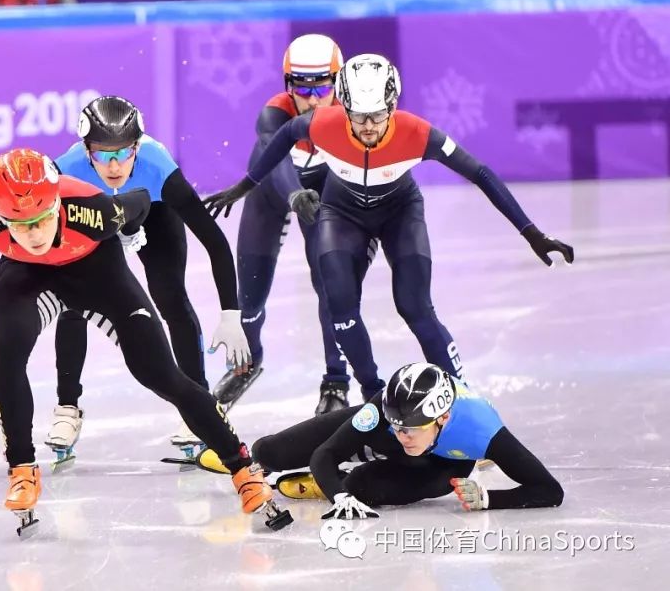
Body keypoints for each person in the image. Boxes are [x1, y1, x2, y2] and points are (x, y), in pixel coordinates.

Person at [0, 148, 292, 537]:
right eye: (20, 224)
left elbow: (138, 202)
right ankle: (21, 469)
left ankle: (243, 469)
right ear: (0, 216)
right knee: (9, 350)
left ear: (56, 205)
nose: (33, 234)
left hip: (98, 273)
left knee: (161, 375)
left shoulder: (95, 210)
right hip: (27, 279)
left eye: (41, 219)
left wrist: (133, 231)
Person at [204, 54, 574, 398]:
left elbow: (480, 173)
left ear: (393, 107)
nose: (367, 127)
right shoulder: (323, 123)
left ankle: (464, 400)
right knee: (340, 308)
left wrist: (531, 232)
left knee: (415, 307)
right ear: (344, 108)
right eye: (359, 116)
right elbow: (280, 137)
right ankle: (373, 396)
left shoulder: (419, 133)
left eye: (378, 116)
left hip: (399, 214)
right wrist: (244, 186)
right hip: (343, 215)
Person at [49, 96, 250, 462]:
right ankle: (67, 408)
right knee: (72, 302)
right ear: (85, 149)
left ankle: (198, 407)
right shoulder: (66, 170)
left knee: (170, 296)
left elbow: (215, 242)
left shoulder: (158, 167)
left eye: (124, 153)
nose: (114, 165)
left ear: (138, 147)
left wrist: (230, 313)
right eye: (102, 154)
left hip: (154, 215)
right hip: (95, 214)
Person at [234, 34, 377, 417]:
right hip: (275, 189)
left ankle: (336, 381)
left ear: (340, 85)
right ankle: (248, 359)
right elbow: (276, 159)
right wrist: (296, 195)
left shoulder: (358, 116)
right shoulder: (273, 115)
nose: (312, 100)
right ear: (287, 86)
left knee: (333, 286)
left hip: (329, 194)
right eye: (301, 88)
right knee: (248, 300)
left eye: (322, 88)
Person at [249, 362, 564, 517]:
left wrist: (490, 500)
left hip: (441, 464)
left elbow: (550, 491)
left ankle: (336, 482)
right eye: (397, 426)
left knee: (362, 488)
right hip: (381, 432)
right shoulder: (387, 408)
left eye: (410, 429)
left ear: (443, 418)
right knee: (271, 451)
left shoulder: (481, 429)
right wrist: (340, 500)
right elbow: (326, 451)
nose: (403, 436)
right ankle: (338, 477)